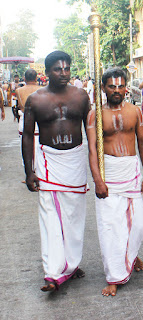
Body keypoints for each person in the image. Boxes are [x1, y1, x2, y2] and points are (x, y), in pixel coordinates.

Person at [22, 50, 91, 292]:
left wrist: (97, 168)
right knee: (50, 218)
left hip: (75, 161)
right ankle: (53, 272)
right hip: (49, 162)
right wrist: (29, 171)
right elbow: (28, 135)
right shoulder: (35, 100)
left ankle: (71, 265)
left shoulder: (81, 96)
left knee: (74, 218)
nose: (63, 73)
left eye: (67, 69)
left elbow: (91, 133)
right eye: (57, 69)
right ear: (47, 72)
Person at [87, 67, 143, 297]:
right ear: (103, 88)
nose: (116, 90)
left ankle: (130, 256)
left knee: (139, 224)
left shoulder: (135, 112)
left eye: (120, 86)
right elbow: (93, 150)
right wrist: (98, 180)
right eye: (111, 86)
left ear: (126, 87)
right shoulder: (95, 114)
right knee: (111, 226)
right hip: (109, 174)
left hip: (131, 172)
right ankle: (114, 276)